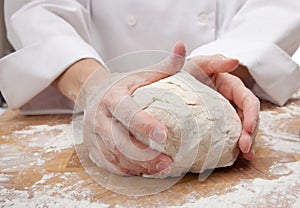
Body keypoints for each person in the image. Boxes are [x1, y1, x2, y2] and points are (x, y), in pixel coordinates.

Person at [0, 1, 299, 175]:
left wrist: (223, 65)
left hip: (226, 85)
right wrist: (94, 86)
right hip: (89, 74)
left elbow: (277, 7)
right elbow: (36, 8)